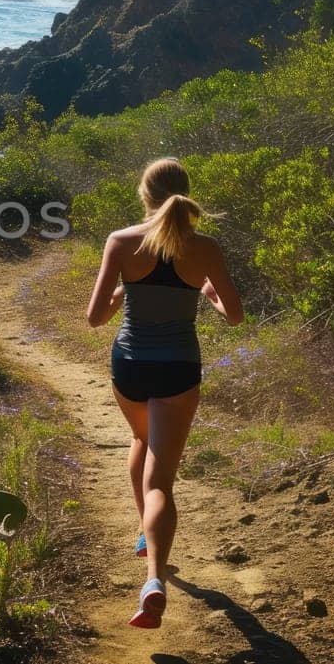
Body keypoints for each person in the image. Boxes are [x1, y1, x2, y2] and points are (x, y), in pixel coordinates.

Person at [84, 157, 242, 629]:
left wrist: (125, 293)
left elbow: (95, 317)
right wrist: (207, 294)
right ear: (185, 195)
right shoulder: (205, 247)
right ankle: (154, 577)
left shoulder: (121, 242)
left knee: (140, 440)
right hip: (178, 370)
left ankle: (144, 536)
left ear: (144, 195)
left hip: (129, 366)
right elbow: (233, 314)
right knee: (160, 483)